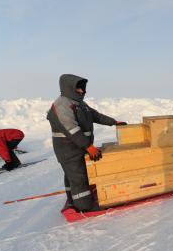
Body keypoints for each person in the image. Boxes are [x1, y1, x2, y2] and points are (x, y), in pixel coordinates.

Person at [47, 74, 127, 212]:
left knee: (72, 175)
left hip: (78, 147)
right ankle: (85, 206)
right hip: (68, 149)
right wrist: (88, 146)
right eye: (79, 89)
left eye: (83, 88)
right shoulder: (62, 104)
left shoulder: (79, 103)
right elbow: (71, 129)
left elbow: (95, 115)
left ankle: (73, 199)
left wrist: (114, 122)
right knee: (79, 177)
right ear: (69, 88)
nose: (82, 91)